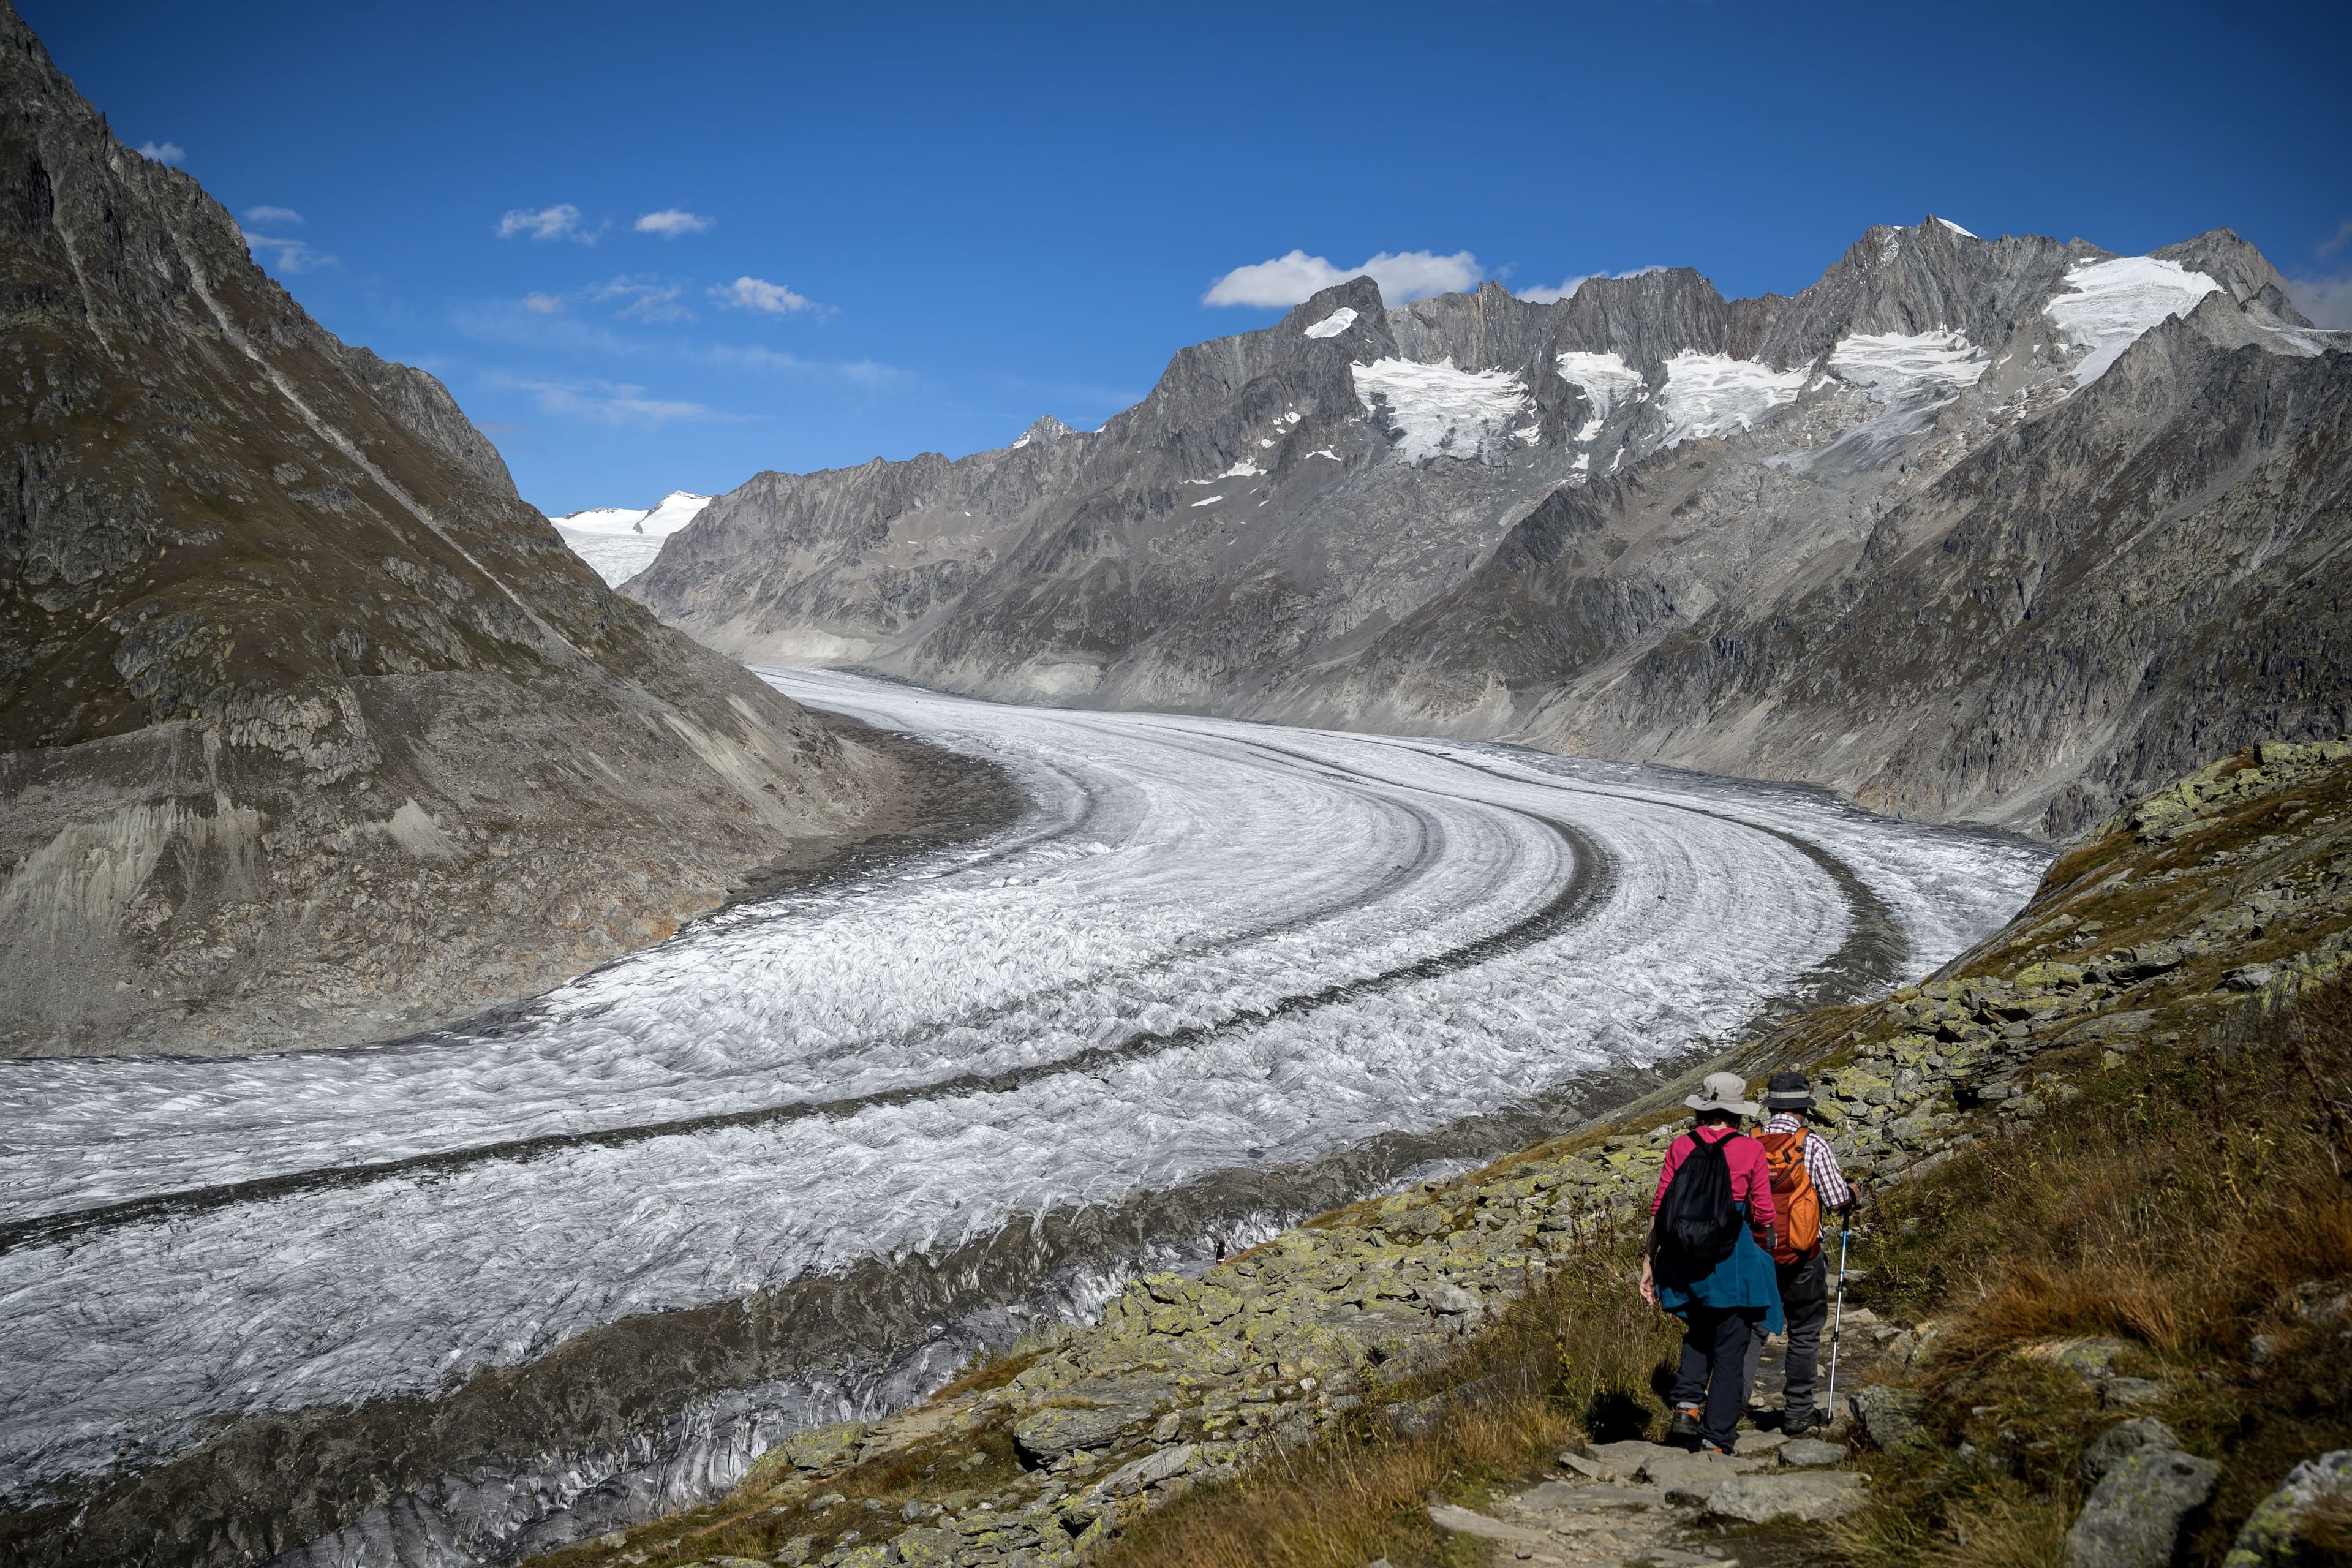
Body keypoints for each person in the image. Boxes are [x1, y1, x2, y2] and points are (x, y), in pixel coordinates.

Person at [1641, 1072, 1781, 1455]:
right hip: (1731, 1259)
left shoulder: (1680, 1146)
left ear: (1704, 1108)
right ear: (1737, 1113)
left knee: (1699, 1331)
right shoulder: (1750, 1150)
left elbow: (1660, 1207)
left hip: (1684, 1259)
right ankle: (1717, 1440)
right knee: (1731, 1348)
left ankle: (1686, 1408)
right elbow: (1765, 1212)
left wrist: (1648, 1262)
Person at [1744, 1071, 1856, 1436]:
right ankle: (1797, 1412)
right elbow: (1837, 1200)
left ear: (1771, 1106)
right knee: (1805, 1331)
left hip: (1757, 1251)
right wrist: (1854, 1192)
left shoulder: (1750, 1143)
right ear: (1804, 1110)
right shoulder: (1814, 1145)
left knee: (1752, 1330)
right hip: (1804, 1253)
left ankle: (1730, 1406)